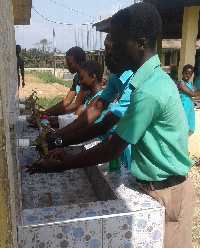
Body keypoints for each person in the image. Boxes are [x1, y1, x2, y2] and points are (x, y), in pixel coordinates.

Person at [26, 3, 195, 248]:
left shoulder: (149, 90)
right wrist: (60, 141)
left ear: (140, 42)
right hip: (153, 188)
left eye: (116, 42)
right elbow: (99, 118)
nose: (111, 50)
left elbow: (113, 146)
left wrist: (60, 166)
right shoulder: (142, 81)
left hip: (169, 193)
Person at [45, 34, 133, 169]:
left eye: (109, 51)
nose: (105, 57)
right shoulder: (116, 78)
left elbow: (105, 129)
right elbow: (95, 111)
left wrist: (61, 150)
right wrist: (58, 138)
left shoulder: (136, 84)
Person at [43, 46, 89, 116]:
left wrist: (50, 114)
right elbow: (67, 101)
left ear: (79, 63)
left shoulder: (87, 80)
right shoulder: (77, 78)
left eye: (69, 64)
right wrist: (46, 112)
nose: (67, 66)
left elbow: (76, 105)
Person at [177, 64, 200, 131]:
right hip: (183, 106)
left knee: (188, 124)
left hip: (189, 106)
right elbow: (193, 93)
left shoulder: (190, 83)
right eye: (186, 73)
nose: (187, 75)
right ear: (182, 73)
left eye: (189, 74)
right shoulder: (181, 83)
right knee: (182, 124)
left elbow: (196, 90)